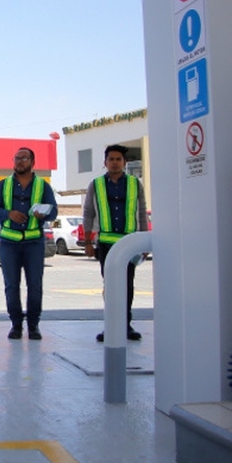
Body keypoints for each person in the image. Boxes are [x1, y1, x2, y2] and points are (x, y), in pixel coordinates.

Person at [0, 147, 58, 340]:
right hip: (9, 244)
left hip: (34, 243)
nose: (19, 162)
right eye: (16, 158)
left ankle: (33, 325)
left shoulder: (43, 186)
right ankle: (16, 325)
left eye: (24, 158)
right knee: (11, 285)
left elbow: (53, 212)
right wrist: (8, 214)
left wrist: (43, 214)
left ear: (33, 162)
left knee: (35, 285)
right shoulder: (4, 185)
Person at [82, 144, 149, 342]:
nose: (114, 163)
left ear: (124, 162)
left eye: (118, 159)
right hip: (106, 245)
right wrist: (87, 242)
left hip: (129, 244)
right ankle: (111, 325)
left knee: (127, 285)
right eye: (111, 159)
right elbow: (88, 213)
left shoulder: (135, 184)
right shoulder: (96, 184)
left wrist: (143, 241)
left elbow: (142, 212)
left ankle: (126, 325)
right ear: (105, 163)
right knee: (110, 286)